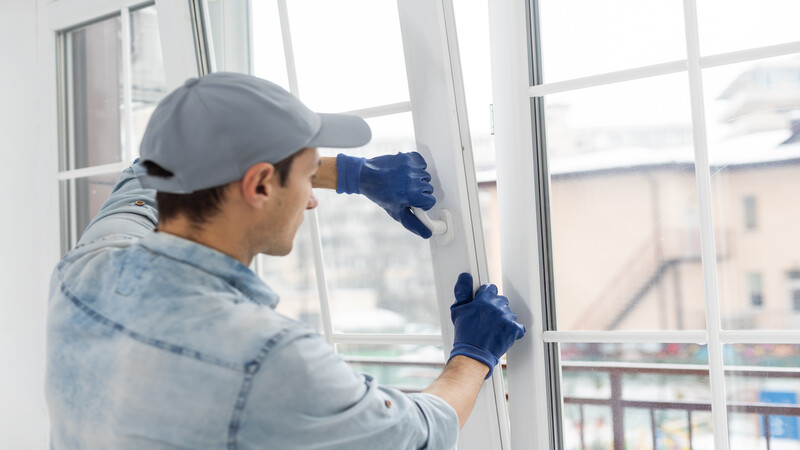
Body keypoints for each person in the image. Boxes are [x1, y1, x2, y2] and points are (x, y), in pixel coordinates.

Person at [46, 72, 526, 449]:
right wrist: (473, 356)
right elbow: (417, 437)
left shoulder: (85, 268)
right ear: (258, 185)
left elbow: (145, 174)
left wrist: (352, 174)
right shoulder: (269, 357)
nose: (312, 199)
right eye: (305, 176)